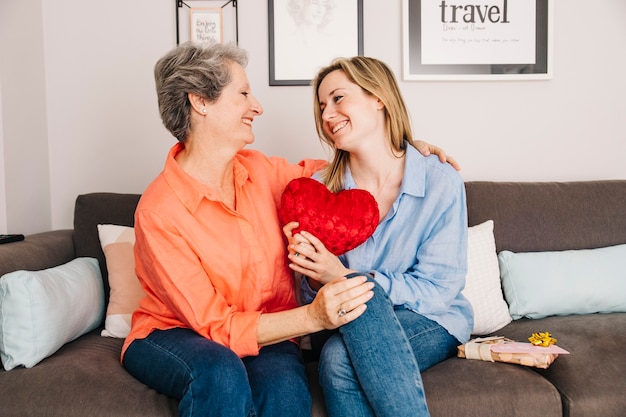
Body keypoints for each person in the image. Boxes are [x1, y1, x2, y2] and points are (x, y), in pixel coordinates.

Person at [121, 41, 457, 417]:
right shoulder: (159, 211)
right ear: (201, 101)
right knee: (220, 371)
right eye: (244, 93)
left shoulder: (263, 173)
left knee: (285, 395)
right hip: (180, 333)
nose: (258, 106)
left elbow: (342, 174)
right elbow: (217, 325)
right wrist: (313, 317)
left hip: (270, 332)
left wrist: (406, 152)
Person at [283, 56, 473, 417]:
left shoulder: (438, 180)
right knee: (343, 339)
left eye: (338, 98)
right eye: (322, 106)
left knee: (339, 358)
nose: (327, 115)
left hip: (431, 320)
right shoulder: (317, 193)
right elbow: (311, 297)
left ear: (378, 98)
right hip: (341, 321)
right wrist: (312, 272)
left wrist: (348, 279)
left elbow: (440, 289)